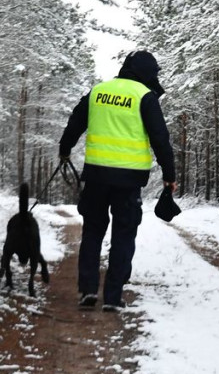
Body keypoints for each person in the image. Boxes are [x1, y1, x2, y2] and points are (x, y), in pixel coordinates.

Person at [59, 50, 176, 312]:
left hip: (97, 176)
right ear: (147, 73)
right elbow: (160, 139)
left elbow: (75, 123)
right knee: (124, 234)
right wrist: (170, 176)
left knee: (92, 231)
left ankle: (88, 291)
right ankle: (112, 296)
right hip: (129, 179)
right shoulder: (144, 97)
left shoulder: (98, 92)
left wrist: (65, 150)